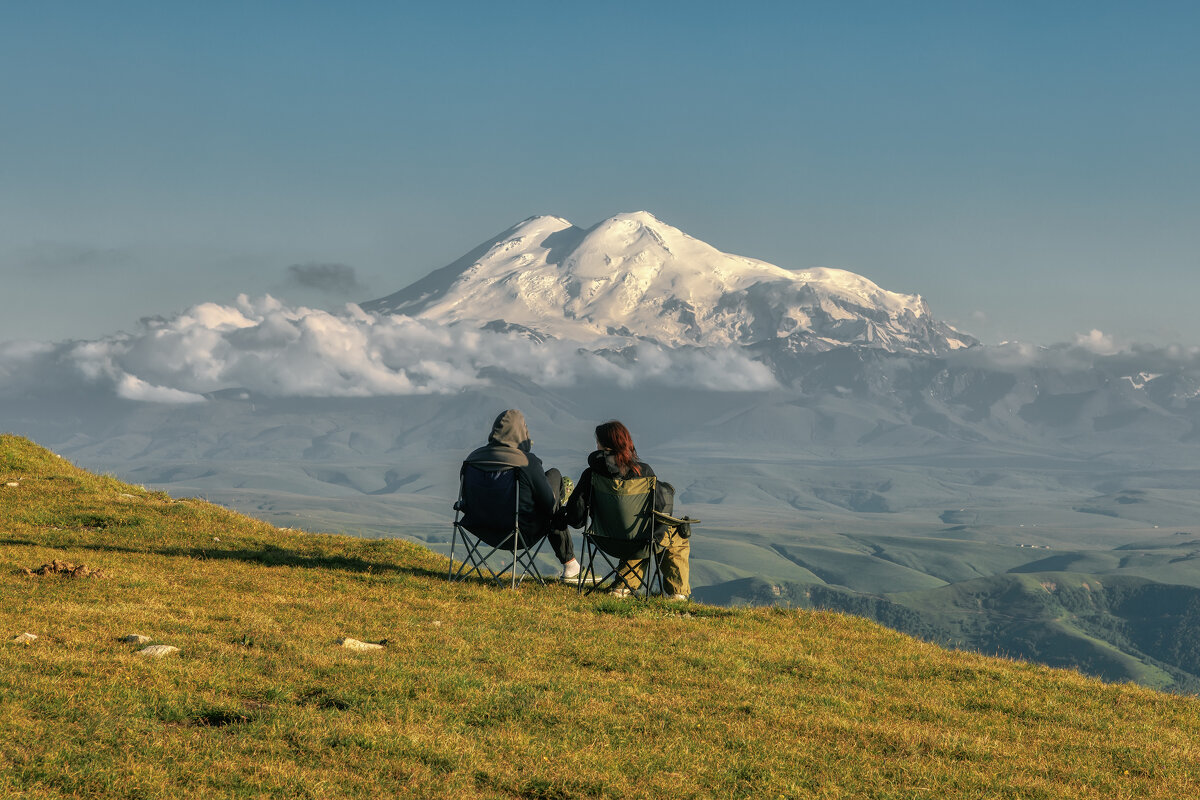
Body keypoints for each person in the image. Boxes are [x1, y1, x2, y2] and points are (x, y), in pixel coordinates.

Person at [557, 420, 690, 599]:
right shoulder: (644, 473)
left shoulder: (591, 474)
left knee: (640, 537)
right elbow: (660, 513)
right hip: (638, 540)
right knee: (673, 534)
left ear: (602, 445)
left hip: (603, 539)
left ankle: (621, 588)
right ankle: (677, 594)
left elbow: (575, 516)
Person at [463, 409, 580, 580]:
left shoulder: (472, 459)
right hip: (518, 531)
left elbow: (466, 498)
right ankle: (570, 564)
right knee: (554, 478)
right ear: (522, 433)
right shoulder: (526, 462)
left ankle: (571, 563)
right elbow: (548, 505)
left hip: (479, 527)